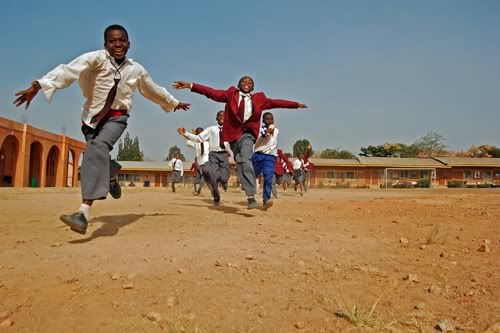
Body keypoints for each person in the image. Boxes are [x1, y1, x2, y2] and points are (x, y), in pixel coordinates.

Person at [13, 24, 190, 234]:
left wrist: (173, 102)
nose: (118, 44)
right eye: (112, 41)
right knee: (98, 154)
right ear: (105, 44)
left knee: (95, 149)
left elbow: (152, 89)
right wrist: (38, 85)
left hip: (117, 117)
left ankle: (83, 212)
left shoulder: (136, 69)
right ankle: (112, 172)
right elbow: (67, 70)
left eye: (122, 40)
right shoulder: (95, 59)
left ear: (129, 43)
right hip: (91, 119)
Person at [173, 76, 307, 209]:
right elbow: (211, 92)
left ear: (253, 87)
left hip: (248, 135)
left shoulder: (259, 99)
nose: (246, 83)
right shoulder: (230, 94)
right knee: (241, 161)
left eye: (250, 82)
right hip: (233, 136)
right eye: (244, 81)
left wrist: (295, 105)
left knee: (245, 159)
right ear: (238, 84)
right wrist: (190, 85)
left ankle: (251, 196)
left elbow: (277, 103)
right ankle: (247, 192)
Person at [177, 111, 230, 207]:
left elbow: (234, 141)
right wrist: (186, 133)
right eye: (220, 116)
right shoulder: (211, 129)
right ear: (216, 118)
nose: (222, 117)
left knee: (224, 177)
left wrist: (231, 151)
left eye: (224, 116)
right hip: (213, 156)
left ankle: (223, 182)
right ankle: (216, 198)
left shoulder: (230, 129)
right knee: (213, 178)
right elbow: (198, 138)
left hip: (224, 155)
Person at [252, 112, 279, 209]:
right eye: (267, 119)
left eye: (271, 119)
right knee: (252, 177)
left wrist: (276, 155)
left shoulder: (276, 130)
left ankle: (266, 200)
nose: (270, 121)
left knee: (268, 177)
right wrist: (267, 131)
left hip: (270, 157)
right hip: (258, 156)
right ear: (263, 121)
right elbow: (263, 135)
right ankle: (251, 198)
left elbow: (274, 143)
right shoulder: (259, 130)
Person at [186, 127, 209, 195]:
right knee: (201, 179)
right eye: (198, 133)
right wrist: (191, 135)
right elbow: (188, 143)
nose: (200, 134)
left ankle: (199, 190)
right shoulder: (196, 143)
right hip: (199, 165)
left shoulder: (208, 142)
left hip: (207, 163)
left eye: (201, 132)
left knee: (205, 177)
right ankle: (198, 190)